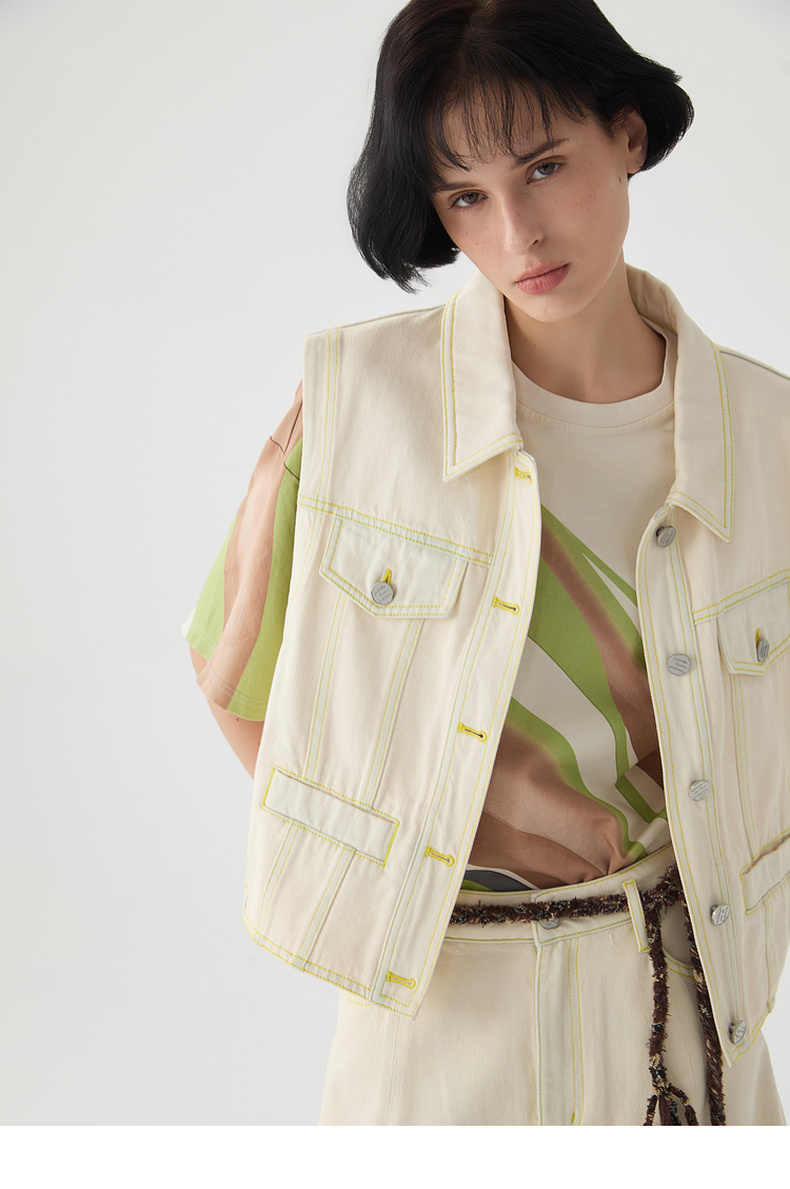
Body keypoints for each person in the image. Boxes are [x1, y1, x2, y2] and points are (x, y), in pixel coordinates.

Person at [184, 0, 789, 1125]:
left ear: (627, 135)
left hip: (684, 1022)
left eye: (545, 167)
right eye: (464, 195)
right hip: (436, 1018)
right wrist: (448, 827)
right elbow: (239, 682)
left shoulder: (768, 436)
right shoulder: (361, 411)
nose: (517, 233)